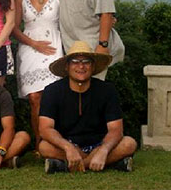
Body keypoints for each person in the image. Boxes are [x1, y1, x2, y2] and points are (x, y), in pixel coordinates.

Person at [39, 41, 137, 173]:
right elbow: (45, 128)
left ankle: (71, 166)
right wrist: (68, 148)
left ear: (92, 66)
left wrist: (103, 150)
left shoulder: (107, 90)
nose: (81, 66)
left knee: (129, 143)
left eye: (86, 62)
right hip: (68, 144)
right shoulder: (52, 91)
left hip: (99, 144)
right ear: (67, 66)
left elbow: (116, 130)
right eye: (75, 61)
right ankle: (108, 163)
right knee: (44, 146)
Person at [12, 0, 62, 149]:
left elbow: (71, 18)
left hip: (53, 46)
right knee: (34, 98)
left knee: (54, 96)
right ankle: (39, 144)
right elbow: (14, 28)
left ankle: (57, 141)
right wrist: (33, 44)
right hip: (29, 47)